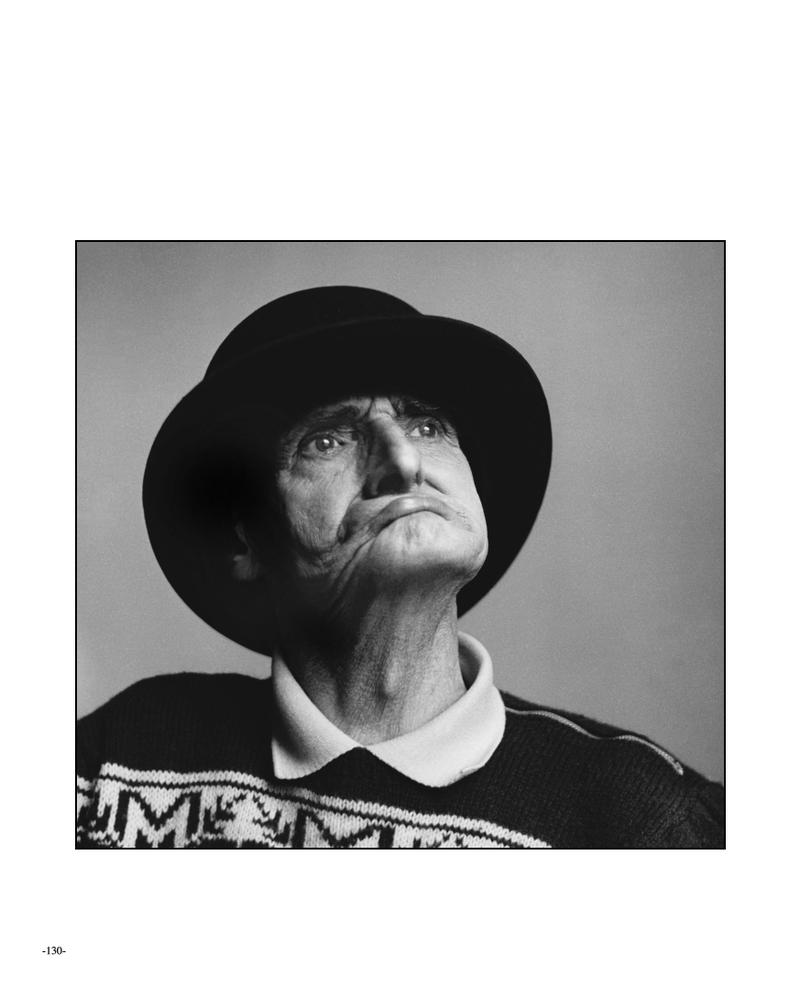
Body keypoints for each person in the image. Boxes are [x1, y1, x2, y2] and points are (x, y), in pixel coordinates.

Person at [76, 285, 724, 848]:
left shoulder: (646, 816)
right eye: (327, 440)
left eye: (428, 427)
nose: (404, 462)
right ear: (247, 544)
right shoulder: (117, 761)